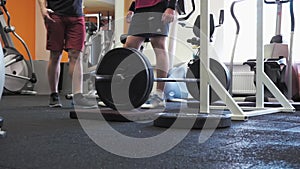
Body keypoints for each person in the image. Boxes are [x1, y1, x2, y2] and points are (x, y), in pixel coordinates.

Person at [38, 0, 97, 108]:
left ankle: (77, 95)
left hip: (77, 15)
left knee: (75, 55)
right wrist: (43, 9)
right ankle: (54, 94)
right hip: (56, 14)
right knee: (55, 54)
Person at [125, 0, 176, 109]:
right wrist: (132, 8)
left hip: (159, 4)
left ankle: (159, 95)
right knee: (129, 46)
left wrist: (171, 6)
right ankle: (130, 91)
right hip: (140, 8)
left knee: (158, 43)